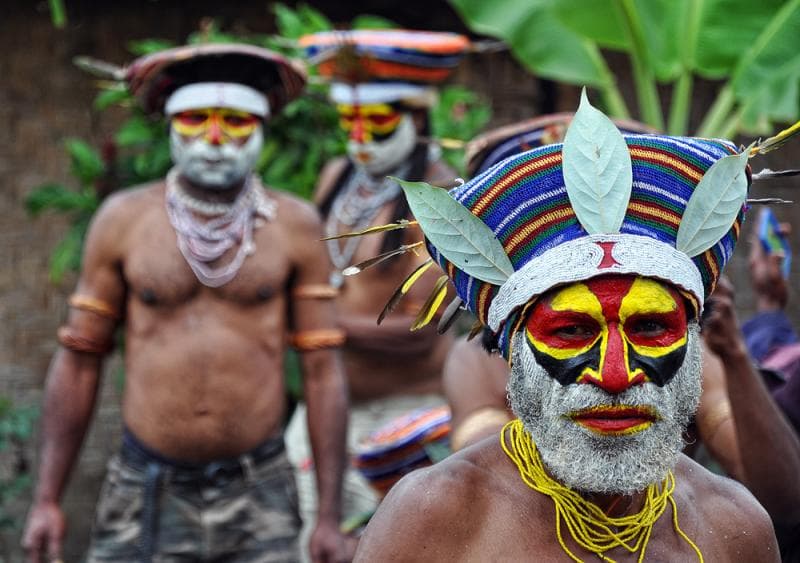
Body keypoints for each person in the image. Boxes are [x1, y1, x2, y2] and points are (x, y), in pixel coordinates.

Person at [355, 92, 781, 561]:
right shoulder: (437, 520)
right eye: (572, 331)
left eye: (651, 327)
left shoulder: (733, 526)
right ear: (513, 349)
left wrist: (737, 355)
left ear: (694, 342)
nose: (615, 375)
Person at [22, 44, 350, 563]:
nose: (215, 141)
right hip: (145, 486)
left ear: (262, 129)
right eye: (197, 120)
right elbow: (81, 360)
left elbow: (323, 371)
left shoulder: (294, 225)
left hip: (260, 486)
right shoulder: (123, 221)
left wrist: (329, 515)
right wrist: (46, 500)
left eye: (236, 123)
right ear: (170, 126)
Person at [284, 30, 470, 558]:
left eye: (380, 121)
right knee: (313, 545)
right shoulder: (336, 177)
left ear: (417, 117)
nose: (361, 137)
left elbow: (424, 326)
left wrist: (314, 327)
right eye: (350, 122)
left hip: (406, 416)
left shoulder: (438, 199)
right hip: (324, 412)